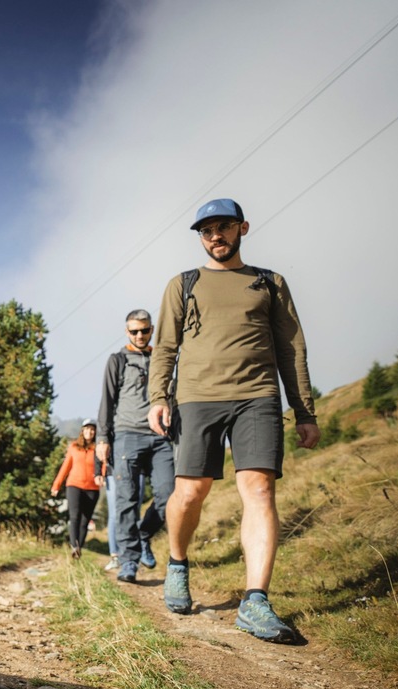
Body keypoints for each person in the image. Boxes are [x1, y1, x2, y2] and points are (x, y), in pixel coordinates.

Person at [147, 198, 319, 643]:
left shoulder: (268, 282)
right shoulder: (183, 284)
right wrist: (158, 399)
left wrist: (304, 411)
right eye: (206, 231)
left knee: (259, 487)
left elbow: (291, 349)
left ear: (243, 228)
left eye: (223, 227)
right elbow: (165, 347)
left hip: (257, 397)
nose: (215, 236)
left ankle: (255, 601)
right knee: (190, 492)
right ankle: (178, 564)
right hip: (197, 398)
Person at [97, 310, 175, 584]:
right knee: (126, 500)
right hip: (126, 435)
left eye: (144, 330)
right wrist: (102, 439)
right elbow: (106, 400)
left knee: (169, 495)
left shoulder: (162, 358)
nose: (140, 335)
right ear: (127, 331)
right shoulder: (117, 360)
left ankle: (144, 534)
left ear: (152, 329)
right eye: (134, 331)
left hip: (161, 436)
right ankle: (129, 561)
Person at [50, 420, 101, 559]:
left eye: (92, 430)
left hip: (92, 488)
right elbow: (65, 467)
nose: (89, 432)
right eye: (87, 429)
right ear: (82, 431)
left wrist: (102, 477)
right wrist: (56, 485)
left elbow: (102, 466)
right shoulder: (74, 447)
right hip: (74, 485)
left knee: (85, 521)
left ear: (95, 432)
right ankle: (74, 546)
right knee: (74, 516)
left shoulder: (98, 448)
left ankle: (79, 549)